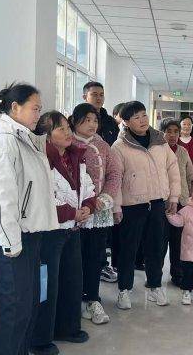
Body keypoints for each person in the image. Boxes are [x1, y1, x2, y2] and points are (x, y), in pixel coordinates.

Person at [0, 83, 60, 355]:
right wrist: (10, 242)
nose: (38, 115)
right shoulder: (3, 140)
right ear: (14, 107)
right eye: (35, 108)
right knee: (15, 308)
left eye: (40, 109)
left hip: (27, 234)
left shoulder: (23, 138)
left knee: (28, 304)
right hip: (11, 239)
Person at [31, 112, 93, 355]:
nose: (68, 133)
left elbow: (86, 186)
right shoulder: (41, 159)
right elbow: (44, 197)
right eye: (61, 129)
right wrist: (71, 212)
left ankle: (68, 328)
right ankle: (40, 340)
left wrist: (88, 205)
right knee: (48, 286)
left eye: (68, 127)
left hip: (72, 229)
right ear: (47, 136)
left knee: (72, 280)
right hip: (50, 231)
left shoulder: (75, 155)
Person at [112, 101, 181, 309]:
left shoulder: (160, 142)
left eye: (144, 115)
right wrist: (116, 207)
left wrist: (174, 197)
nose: (142, 120)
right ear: (126, 122)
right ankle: (124, 290)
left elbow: (172, 168)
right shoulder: (119, 146)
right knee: (128, 250)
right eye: (136, 117)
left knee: (156, 248)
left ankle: (154, 286)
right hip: (132, 206)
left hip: (157, 203)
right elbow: (115, 179)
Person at [70, 104, 123, 325]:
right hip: (75, 213)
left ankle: (92, 299)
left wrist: (106, 199)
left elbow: (115, 173)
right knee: (75, 260)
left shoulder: (102, 145)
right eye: (87, 120)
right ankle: (74, 302)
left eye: (95, 120)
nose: (92, 124)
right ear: (75, 121)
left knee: (94, 258)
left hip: (99, 211)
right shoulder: (67, 143)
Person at [82, 82, 120, 283]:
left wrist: (108, 196)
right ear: (84, 97)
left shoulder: (110, 123)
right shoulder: (75, 124)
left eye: (101, 95)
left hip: (104, 190)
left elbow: (114, 165)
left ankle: (101, 268)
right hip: (80, 197)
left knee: (100, 240)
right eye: (94, 94)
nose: (98, 98)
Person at [160, 118, 193, 287]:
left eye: (176, 132)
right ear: (163, 133)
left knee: (178, 241)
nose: (172, 135)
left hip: (181, 202)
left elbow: (190, 176)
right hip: (162, 202)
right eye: (169, 131)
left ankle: (177, 274)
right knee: (160, 241)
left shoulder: (183, 151)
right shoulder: (157, 151)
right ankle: (155, 276)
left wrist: (191, 197)